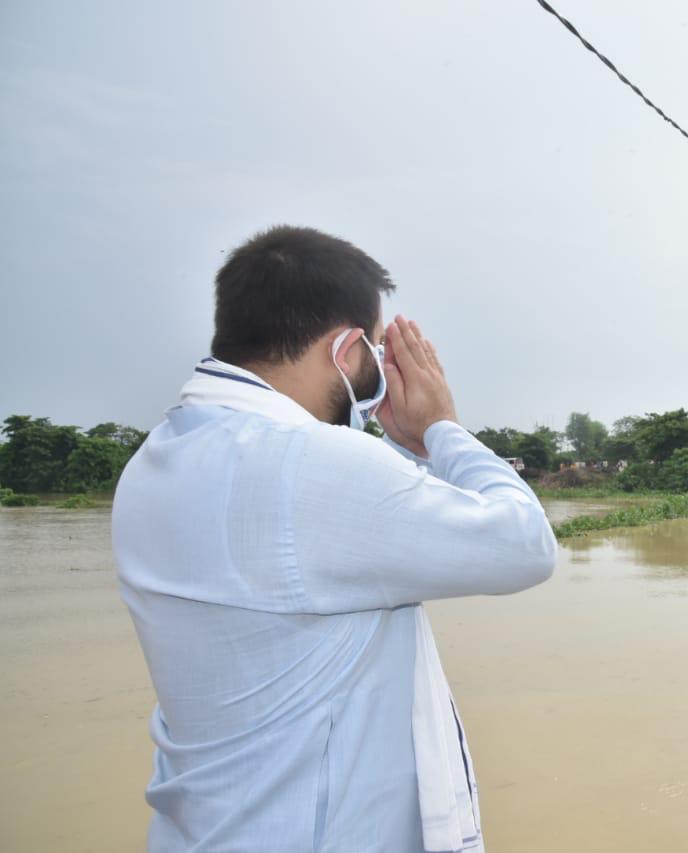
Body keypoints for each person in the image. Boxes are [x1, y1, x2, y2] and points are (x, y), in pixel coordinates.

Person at [111, 226, 557, 852]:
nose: (381, 368)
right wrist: (441, 432)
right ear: (347, 348)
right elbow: (524, 545)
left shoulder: (157, 461)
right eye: (376, 348)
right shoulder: (308, 462)